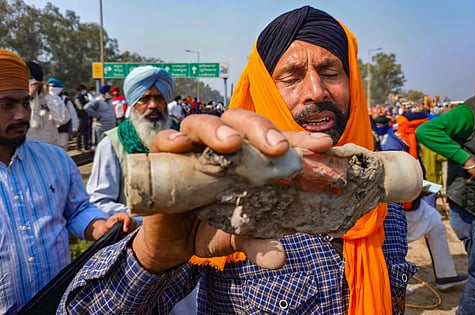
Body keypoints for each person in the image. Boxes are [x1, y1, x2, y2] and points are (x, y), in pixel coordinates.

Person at [59, 6, 417, 314]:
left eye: (331, 73)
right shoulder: (223, 201)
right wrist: (150, 258)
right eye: (291, 77)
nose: (316, 91)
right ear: (263, 88)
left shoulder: (382, 195)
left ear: (352, 82)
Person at [0, 49, 137, 314]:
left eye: (25, 103)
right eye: (7, 105)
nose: (21, 115)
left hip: (61, 305)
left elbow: (77, 210)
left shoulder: (55, 160)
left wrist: (100, 225)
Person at [374, 115, 467, 290]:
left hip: (414, 204)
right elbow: (398, 179)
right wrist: (426, 188)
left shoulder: (404, 140)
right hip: (396, 206)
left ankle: (445, 276)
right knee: (392, 246)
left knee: (436, 225)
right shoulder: (394, 144)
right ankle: (391, 285)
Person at [416, 93, 475, 314]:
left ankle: (445, 275)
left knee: (435, 226)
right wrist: (468, 160)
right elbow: (426, 131)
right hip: (468, 204)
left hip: (433, 192)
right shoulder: (469, 113)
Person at [87, 66, 173, 223]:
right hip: (133, 236)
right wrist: (145, 219)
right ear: (133, 104)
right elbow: (99, 201)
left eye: (159, 98)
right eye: (144, 99)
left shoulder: (181, 137)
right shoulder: (112, 143)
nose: (153, 105)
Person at [25, 61, 69, 147]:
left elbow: (63, 119)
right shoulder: (18, 98)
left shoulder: (51, 97)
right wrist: (29, 98)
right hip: (26, 147)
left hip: (48, 147)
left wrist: (48, 96)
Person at [46, 77, 79, 151]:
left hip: (62, 130)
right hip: (48, 130)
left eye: (53, 86)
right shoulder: (44, 98)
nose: (51, 88)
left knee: (61, 149)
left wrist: (75, 128)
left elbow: (73, 114)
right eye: (49, 86)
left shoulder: (65, 99)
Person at [73, 83, 92, 152]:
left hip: (86, 116)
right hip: (80, 116)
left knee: (86, 131)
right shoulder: (77, 97)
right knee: (80, 132)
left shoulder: (85, 96)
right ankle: (79, 147)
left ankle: (86, 146)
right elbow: (80, 107)